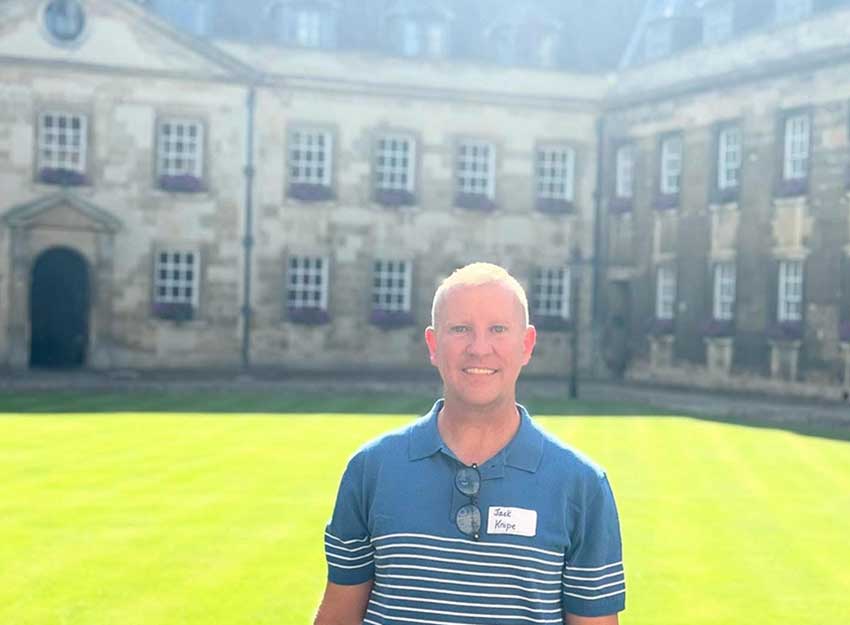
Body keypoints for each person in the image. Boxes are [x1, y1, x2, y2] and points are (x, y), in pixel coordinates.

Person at [314, 262, 626, 625]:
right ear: (433, 345)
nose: (479, 348)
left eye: (498, 329)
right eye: (460, 329)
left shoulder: (582, 485)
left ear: (526, 345)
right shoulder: (371, 469)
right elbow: (338, 616)